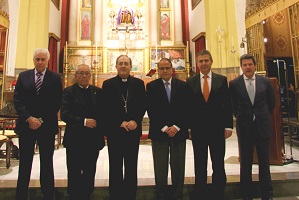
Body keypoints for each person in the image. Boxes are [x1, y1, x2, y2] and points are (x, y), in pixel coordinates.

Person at [13, 48, 63, 200]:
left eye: (43, 59)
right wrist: (29, 118)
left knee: (47, 162)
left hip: (46, 126)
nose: (40, 62)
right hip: (26, 126)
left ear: (48, 61)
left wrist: (40, 120)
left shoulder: (55, 78)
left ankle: (48, 194)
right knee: (25, 162)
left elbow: (57, 102)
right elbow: (17, 100)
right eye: (37, 59)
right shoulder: (23, 76)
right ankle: (21, 195)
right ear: (33, 60)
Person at [186, 49, 233, 200]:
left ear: (211, 62)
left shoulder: (221, 80)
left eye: (206, 60)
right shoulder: (190, 81)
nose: (204, 63)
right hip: (198, 129)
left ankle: (218, 192)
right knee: (200, 162)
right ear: (197, 63)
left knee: (218, 162)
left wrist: (228, 125)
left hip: (217, 129)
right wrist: (188, 127)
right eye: (201, 61)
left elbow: (227, 105)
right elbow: (188, 107)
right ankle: (200, 193)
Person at [229, 54, 275, 200]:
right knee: (246, 164)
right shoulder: (235, 84)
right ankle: (246, 195)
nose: (247, 67)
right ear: (241, 67)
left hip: (262, 127)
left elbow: (271, 103)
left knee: (264, 163)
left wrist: (261, 116)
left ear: (255, 66)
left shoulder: (265, 82)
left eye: (250, 64)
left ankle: (267, 194)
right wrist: (243, 117)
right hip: (245, 128)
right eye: (245, 65)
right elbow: (234, 105)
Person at [101, 55, 146, 200]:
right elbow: (105, 107)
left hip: (133, 130)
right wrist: (119, 122)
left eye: (126, 63)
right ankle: (115, 194)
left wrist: (135, 120)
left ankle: (130, 194)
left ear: (131, 66)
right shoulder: (108, 84)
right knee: (115, 165)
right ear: (116, 66)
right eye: (120, 63)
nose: (123, 66)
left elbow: (142, 104)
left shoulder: (139, 84)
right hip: (115, 131)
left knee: (131, 164)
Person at [146, 58, 189, 200]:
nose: (164, 71)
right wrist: (164, 128)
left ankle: (178, 195)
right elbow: (151, 109)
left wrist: (176, 127)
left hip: (178, 131)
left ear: (172, 69)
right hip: (159, 132)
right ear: (158, 71)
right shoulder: (152, 86)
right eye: (162, 68)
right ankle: (161, 195)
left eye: (167, 68)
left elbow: (186, 109)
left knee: (178, 166)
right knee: (160, 167)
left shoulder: (183, 86)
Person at [60, 64, 105, 200]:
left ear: (90, 76)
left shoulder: (98, 91)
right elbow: (65, 114)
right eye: (81, 73)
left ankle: (87, 194)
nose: (85, 76)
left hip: (93, 139)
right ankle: (74, 195)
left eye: (87, 73)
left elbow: (103, 113)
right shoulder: (68, 91)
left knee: (90, 170)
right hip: (75, 138)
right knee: (74, 170)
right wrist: (84, 121)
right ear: (76, 75)